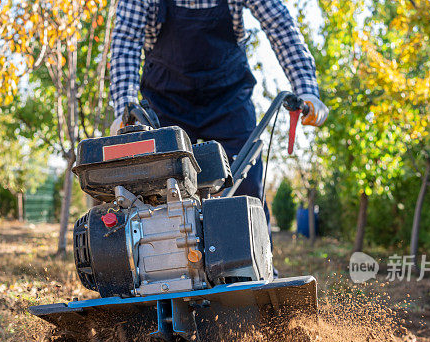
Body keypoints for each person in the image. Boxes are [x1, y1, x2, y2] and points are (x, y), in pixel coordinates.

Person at [110, 0, 329, 220]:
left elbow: (280, 25)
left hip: (229, 100)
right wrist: (124, 108)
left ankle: (253, 251)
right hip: (164, 104)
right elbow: (126, 41)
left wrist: (306, 89)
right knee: (157, 193)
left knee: (247, 189)